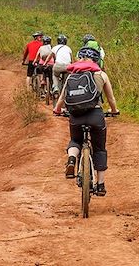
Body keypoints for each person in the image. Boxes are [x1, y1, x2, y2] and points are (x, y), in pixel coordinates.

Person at [54, 46, 118, 196]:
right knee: (99, 149)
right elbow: (111, 99)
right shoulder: (101, 75)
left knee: (75, 140)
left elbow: (62, 98)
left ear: (79, 58)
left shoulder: (71, 76)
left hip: (75, 116)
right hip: (96, 115)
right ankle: (100, 185)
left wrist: (57, 110)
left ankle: (71, 159)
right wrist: (114, 111)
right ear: (96, 60)